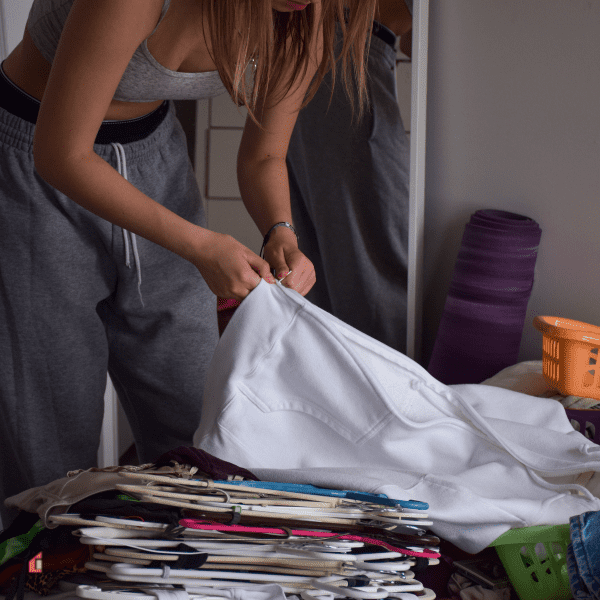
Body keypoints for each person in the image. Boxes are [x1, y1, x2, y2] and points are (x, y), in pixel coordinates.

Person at [0, 0, 376, 528]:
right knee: (49, 454)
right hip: (29, 171)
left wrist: (280, 231)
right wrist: (201, 247)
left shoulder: (305, 15)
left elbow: (264, 155)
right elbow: (61, 153)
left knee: (202, 429)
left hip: (155, 159)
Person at [286, 0, 413, 354]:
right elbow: (419, 41)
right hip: (350, 55)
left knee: (328, 278)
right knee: (378, 277)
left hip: (322, 48)